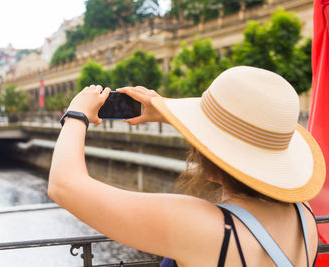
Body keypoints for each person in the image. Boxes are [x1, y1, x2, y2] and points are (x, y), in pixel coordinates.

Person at [48, 66, 325, 266]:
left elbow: (64, 185)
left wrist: (76, 114)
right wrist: (168, 110)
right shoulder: (305, 214)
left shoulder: (202, 226)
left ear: (210, 161)